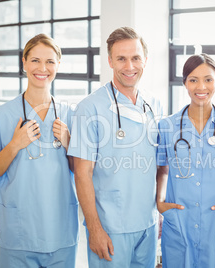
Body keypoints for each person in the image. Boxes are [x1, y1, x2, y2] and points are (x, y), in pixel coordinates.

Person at [0, 33, 79, 267]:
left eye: (50, 61)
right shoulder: (1, 116)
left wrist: (69, 142)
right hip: (18, 232)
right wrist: (15, 145)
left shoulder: (70, 115)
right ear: (24, 62)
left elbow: (81, 171)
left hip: (60, 229)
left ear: (58, 65)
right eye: (35, 60)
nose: (43, 68)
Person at [68, 27, 161, 267]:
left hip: (148, 225)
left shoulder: (154, 104)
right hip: (110, 227)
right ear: (110, 61)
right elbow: (82, 173)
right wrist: (95, 229)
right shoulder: (90, 108)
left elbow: (157, 165)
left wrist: (158, 212)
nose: (129, 66)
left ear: (145, 60)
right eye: (121, 58)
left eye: (136, 58)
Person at [156, 53, 215, 268]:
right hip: (179, 218)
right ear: (185, 83)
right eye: (193, 80)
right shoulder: (167, 126)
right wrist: (160, 203)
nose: (201, 87)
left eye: (208, 79)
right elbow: (162, 169)